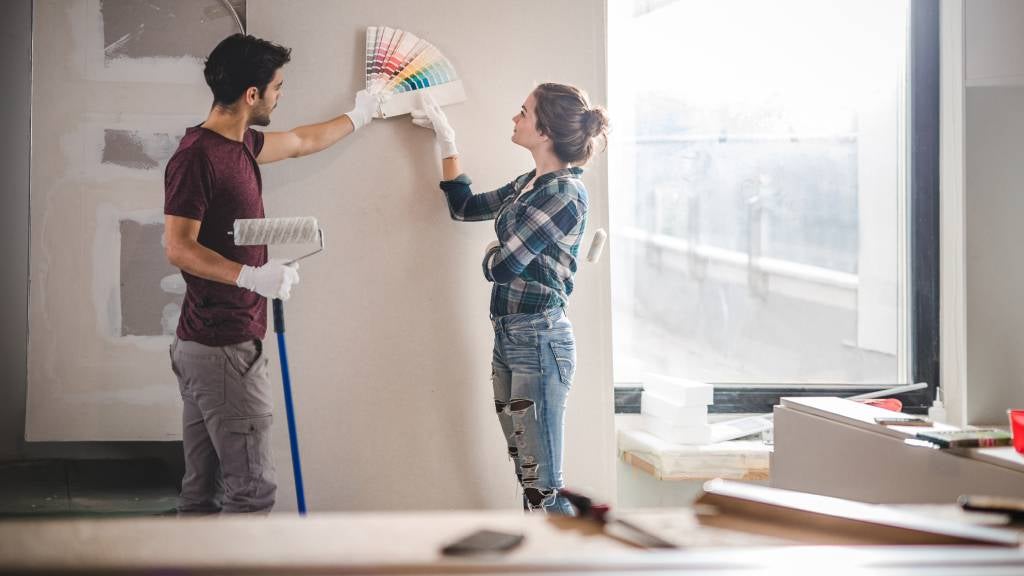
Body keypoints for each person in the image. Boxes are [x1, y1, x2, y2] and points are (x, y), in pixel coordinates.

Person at [163, 33, 382, 514]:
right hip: (224, 348)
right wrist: (250, 278)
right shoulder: (197, 157)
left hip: (207, 345)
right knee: (251, 493)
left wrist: (363, 112)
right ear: (252, 95)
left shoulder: (239, 144)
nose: (281, 95)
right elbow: (178, 247)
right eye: (278, 87)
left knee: (203, 492)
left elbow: (303, 141)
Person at [411, 84, 610, 514]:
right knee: (529, 477)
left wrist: (491, 256)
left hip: (539, 340)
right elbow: (463, 207)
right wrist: (447, 141)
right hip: (509, 337)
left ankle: (568, 562)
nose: (514, 119)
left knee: (544, 487)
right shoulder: (528, 183)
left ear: (545, 131)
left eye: (523, 112)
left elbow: (503, 267)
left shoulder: (563, 194)